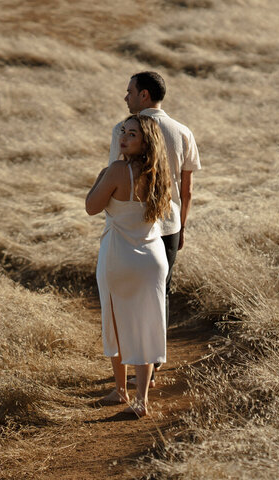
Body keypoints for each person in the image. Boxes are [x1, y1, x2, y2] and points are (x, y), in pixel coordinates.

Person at [86, 114, 173, 417]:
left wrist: (101, 177)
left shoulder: (116, 170)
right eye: (123, 132)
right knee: (146, 323)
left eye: (132, 134)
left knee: (117, 319)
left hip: (119, 255)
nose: (123, 137)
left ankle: (121, 389)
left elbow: (91, 207)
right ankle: (142, 399)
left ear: (145, 141)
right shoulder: (161, 174)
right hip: (152, 256)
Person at [110, 71, 200, 344]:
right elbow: (187, 190)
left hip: (132, 225)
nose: (126, 97)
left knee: (130, 292)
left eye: (130, 91)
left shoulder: (123, 130)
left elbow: (117, 177)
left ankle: (135, 356)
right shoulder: (183, 131)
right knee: (162, 291)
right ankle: (155, 359)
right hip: (169, 224)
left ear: (144, 94)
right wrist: (182, 227)